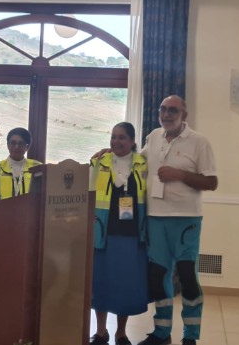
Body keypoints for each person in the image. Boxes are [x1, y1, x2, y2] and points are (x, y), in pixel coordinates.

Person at [137, 95, 218, 345]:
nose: (166, 114)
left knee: (187, 277)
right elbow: (138, 163)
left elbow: (211, 182)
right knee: (158, 276)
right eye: (162, 109)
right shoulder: (153, 136)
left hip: (186, 219)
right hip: (155, 217)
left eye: (172, 110)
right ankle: (161, 333)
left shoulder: (199, 141)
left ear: (184, 115)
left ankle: (190, 336)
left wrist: (180, 174)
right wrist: (113, 153)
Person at [89, 122, 149, 345]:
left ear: (133, 141)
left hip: (132, 235)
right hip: (103, 233)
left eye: (122, 137)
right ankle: (101, 332)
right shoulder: (98, 162)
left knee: (125, 284)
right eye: (113, 136)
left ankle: (121, 333)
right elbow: (86, 192)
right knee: (101, 283)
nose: (116, 141)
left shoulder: (144, 164)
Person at [0, 127, 42, 201]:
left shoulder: (38, 167)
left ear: (27, 147)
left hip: (30, 208)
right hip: (2, 208)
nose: (16, 147)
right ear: (7, 145)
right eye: (13, 143)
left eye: (21, 143)